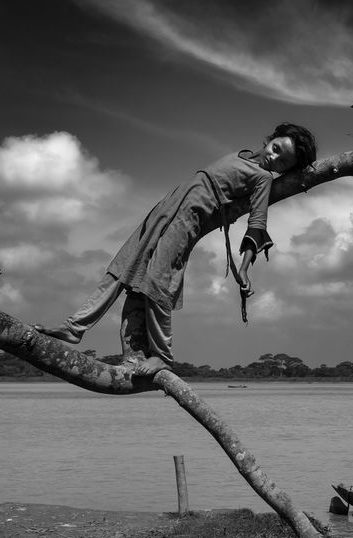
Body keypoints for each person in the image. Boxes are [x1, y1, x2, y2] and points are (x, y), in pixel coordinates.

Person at [34, 123, 318, 376]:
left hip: (188, 220)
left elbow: (257, 222)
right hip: (164, 210)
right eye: (276, 148)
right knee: (120, 269)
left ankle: (162, 357)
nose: (274, 158)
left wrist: (243, 268)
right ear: (270, 139)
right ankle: (74, 327)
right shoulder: (240, 154)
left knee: (157, 281)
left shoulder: (263, 178)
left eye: (283, 162)